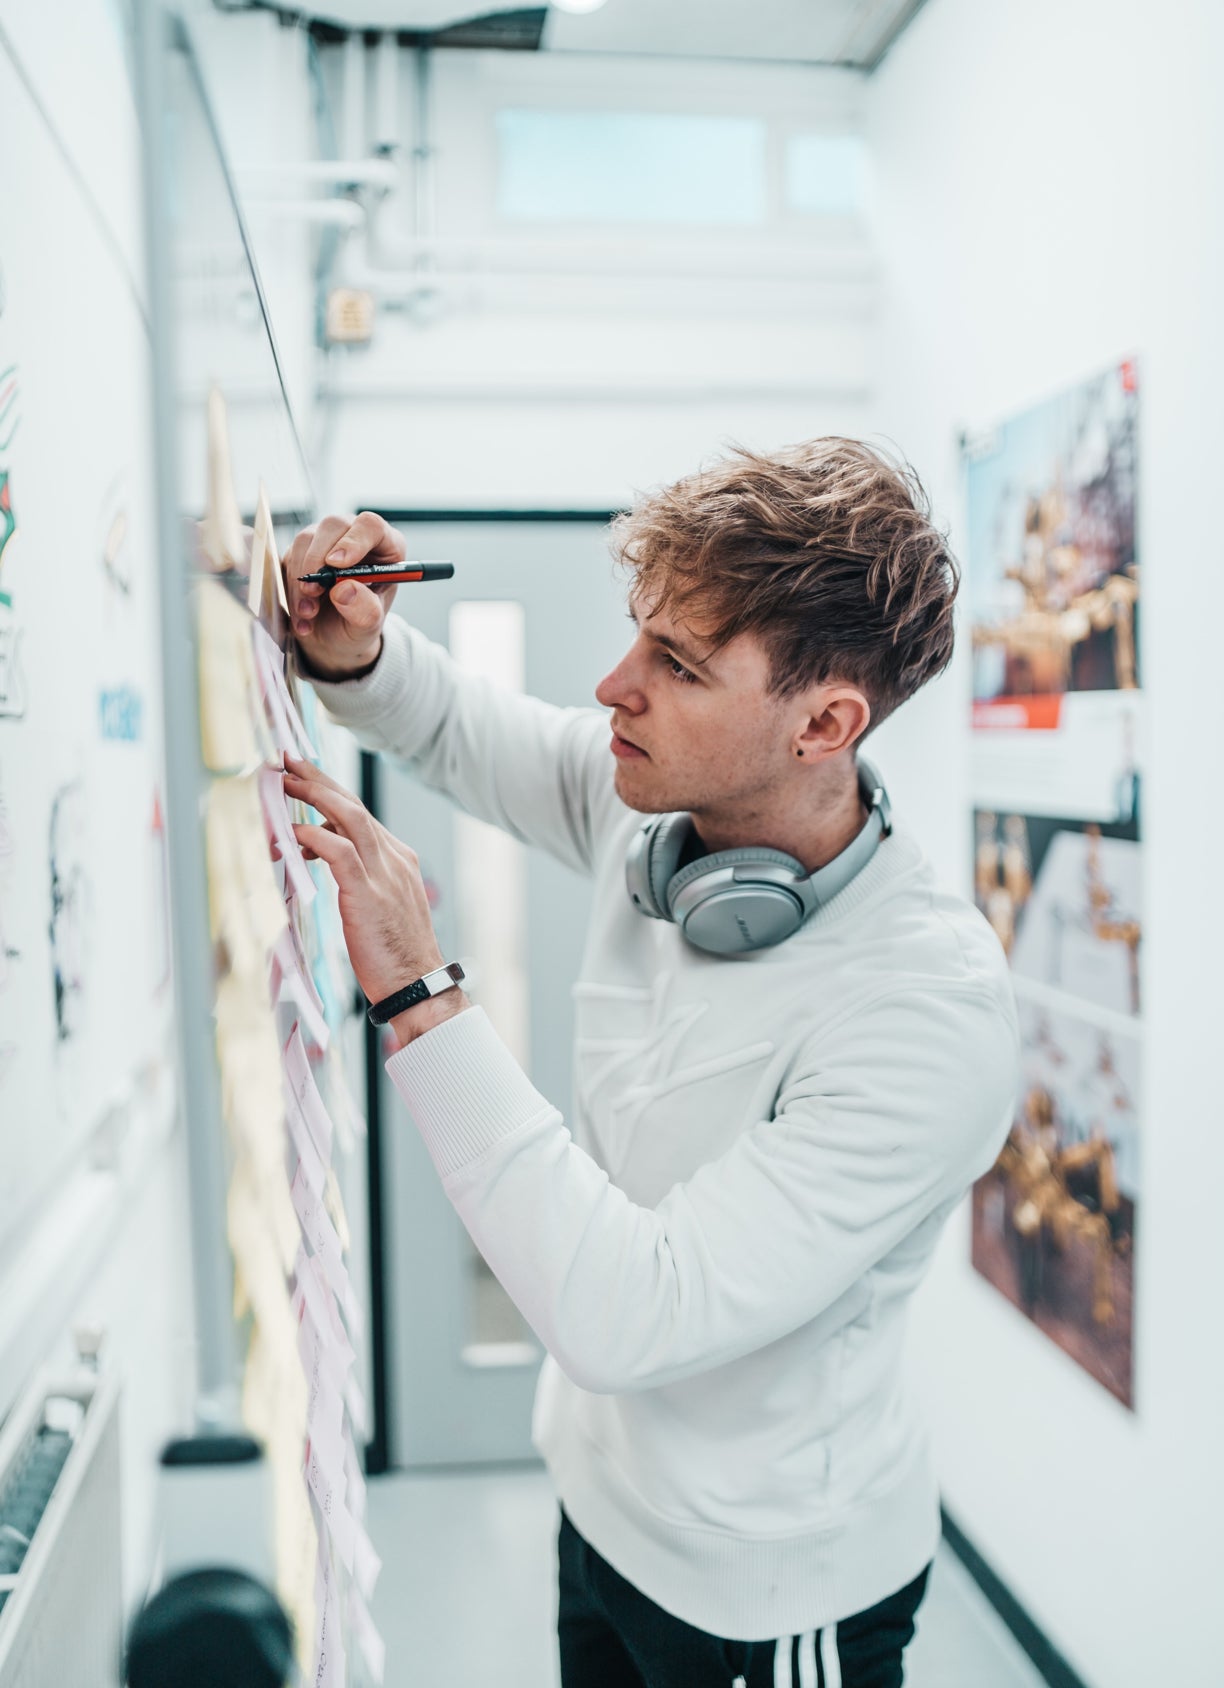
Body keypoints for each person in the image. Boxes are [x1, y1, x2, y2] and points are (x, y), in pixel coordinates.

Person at [281, 439, 1019, 1688]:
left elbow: (633, 1312)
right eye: (642, 637)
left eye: (675, 664)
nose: (613, 684)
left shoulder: (926, 1009)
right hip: (602, 1508)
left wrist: (420, 995)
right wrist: (352, 646)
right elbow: (461, 727)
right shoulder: (660, 812)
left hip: (769, 1588)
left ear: (825, 722)